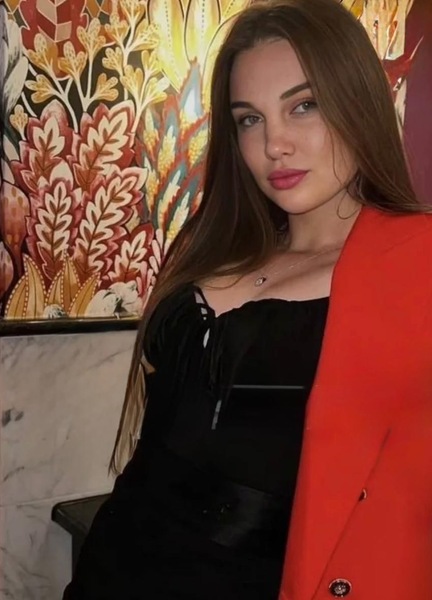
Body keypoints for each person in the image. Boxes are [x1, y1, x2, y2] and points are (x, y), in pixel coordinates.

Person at [63, 0, 432, 598]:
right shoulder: (215, 246)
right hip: (112, 568)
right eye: (249, 119)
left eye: (303, 106)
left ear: (359, 102)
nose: (274, 144)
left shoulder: (415, 265)